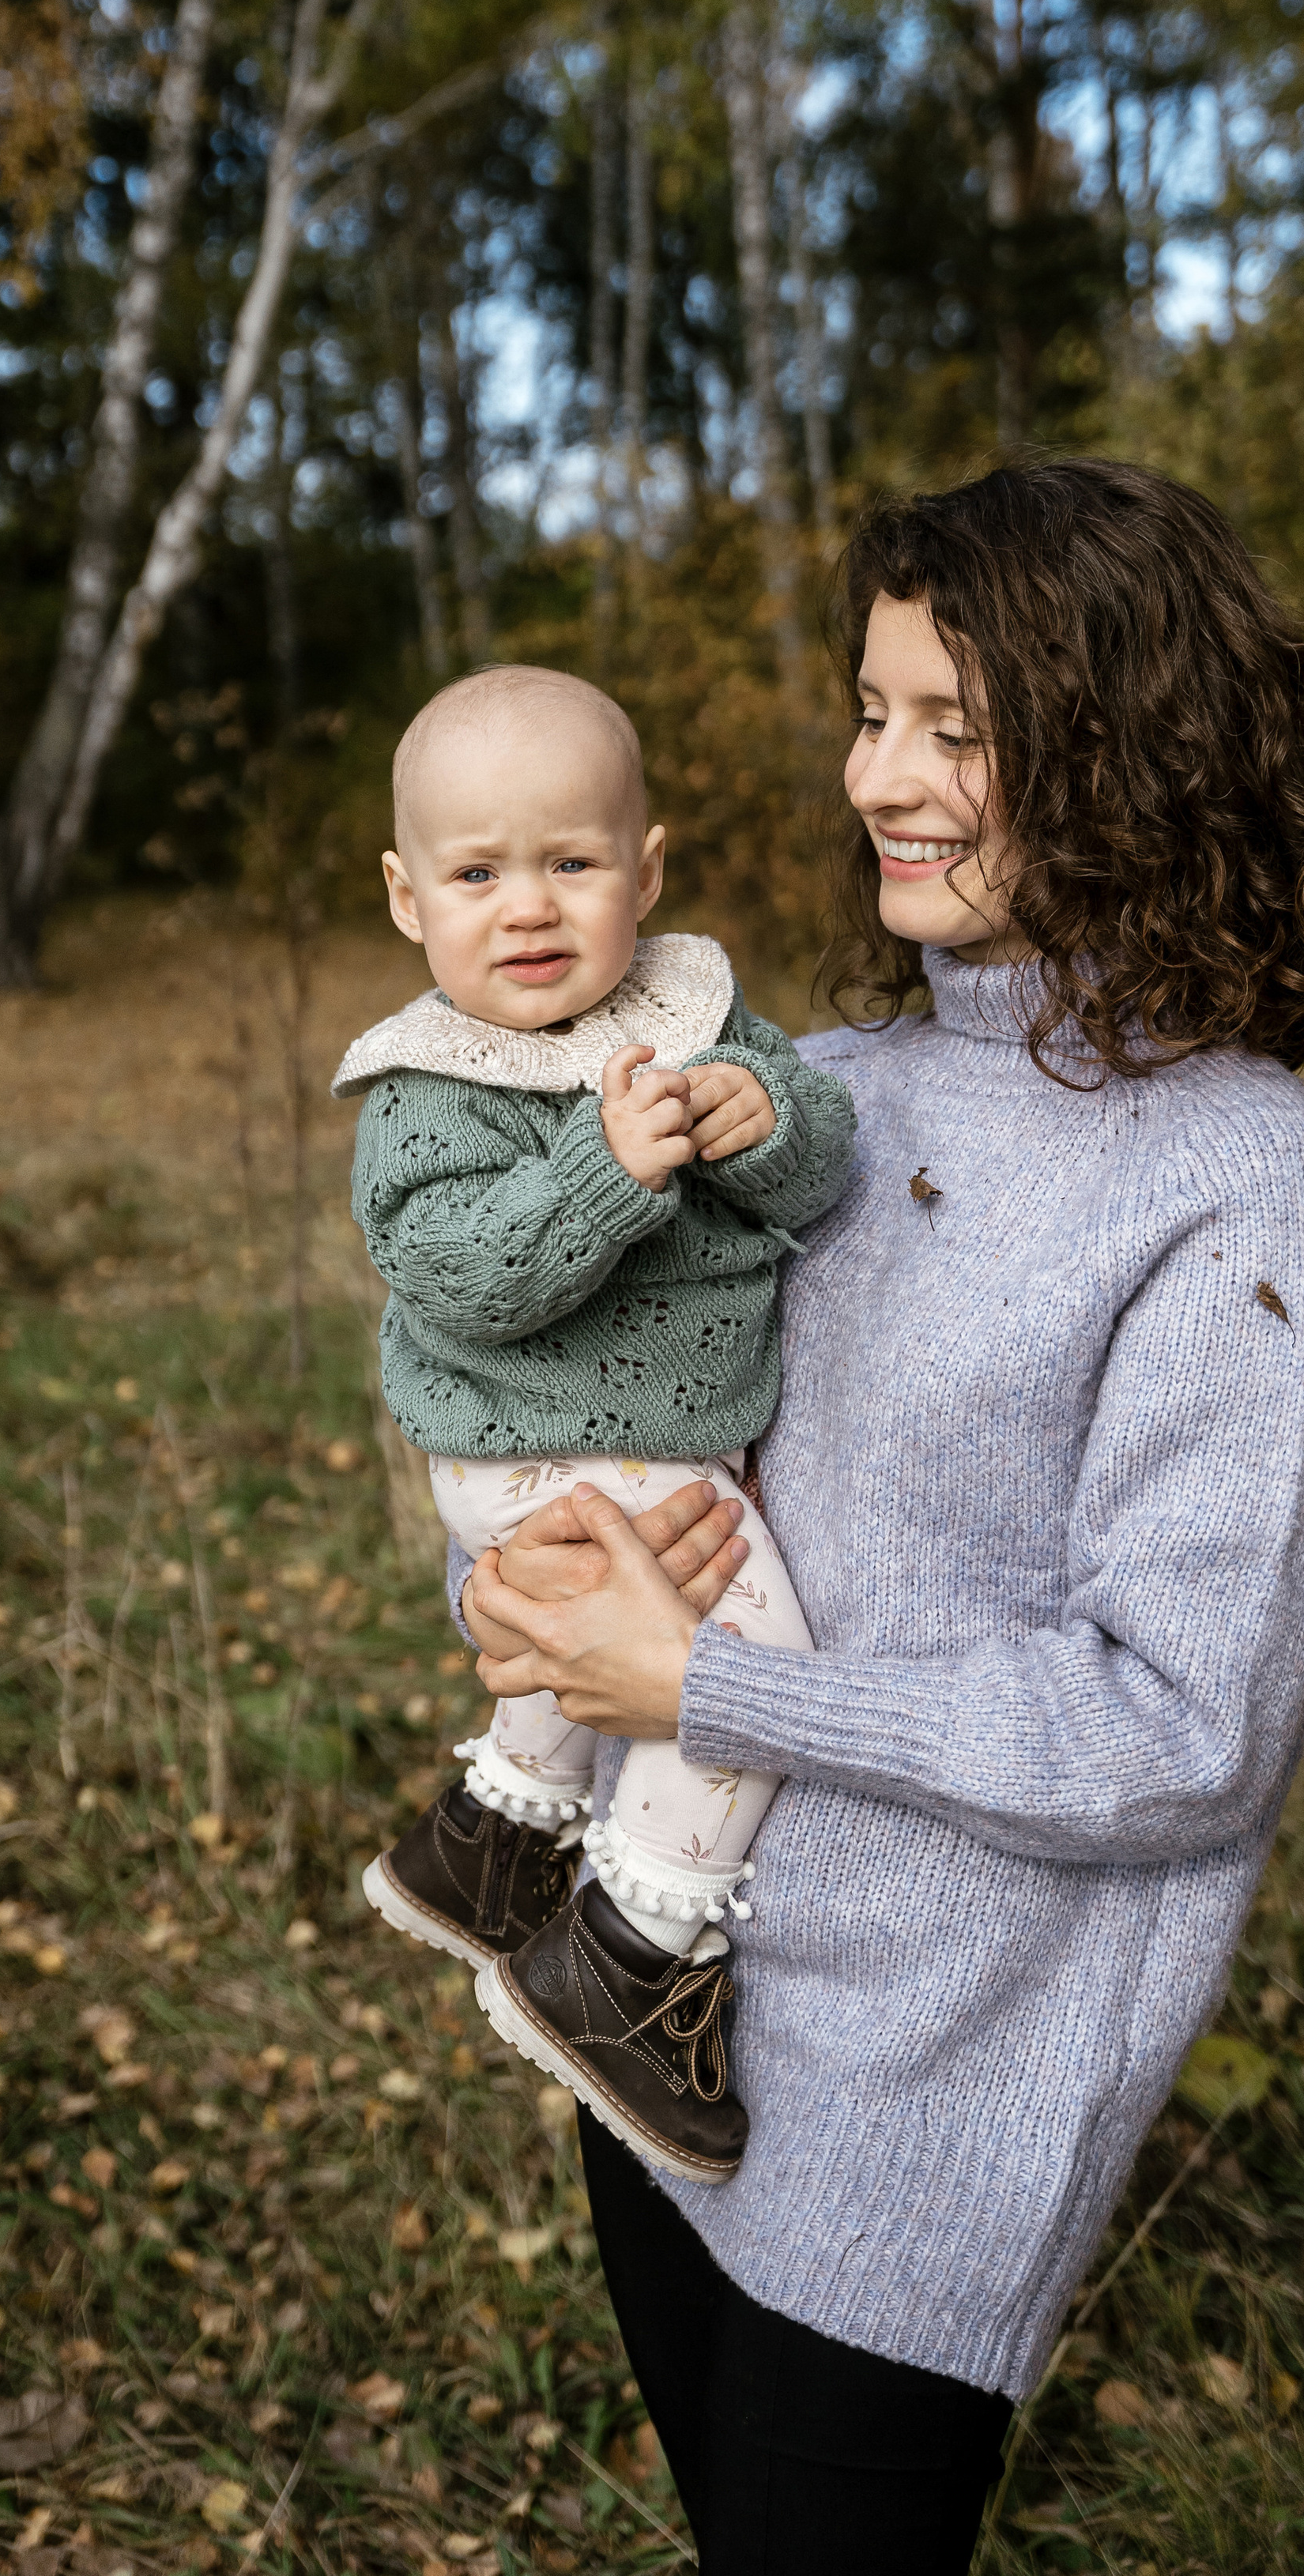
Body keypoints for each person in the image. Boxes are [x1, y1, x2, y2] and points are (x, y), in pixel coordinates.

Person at [456, 461, 1304, 2574]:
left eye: (951, 729)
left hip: (928, 2120)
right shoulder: (830, 1097)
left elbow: (1179, 1730)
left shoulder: (1247, 1203)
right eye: (870, 713)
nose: (878, 774)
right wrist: (521, 1586)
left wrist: (707, 1684)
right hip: (664, 2012)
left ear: (1129, 748)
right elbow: (613, 1426)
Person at [334, 665, 855, 2181]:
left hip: (649, 1441)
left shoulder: (694, 1013)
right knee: (743, 1659)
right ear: (405, 897)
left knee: (625, 1626)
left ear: (648, 870)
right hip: (533, 1443)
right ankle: (629, 1957)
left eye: (571, 863)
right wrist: (600, 1176)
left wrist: (771, 1126)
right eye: (477, 873)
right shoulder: (431, 1086)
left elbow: (815, 1168)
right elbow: (464, 1276)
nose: (529, 908)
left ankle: (490, 1846)